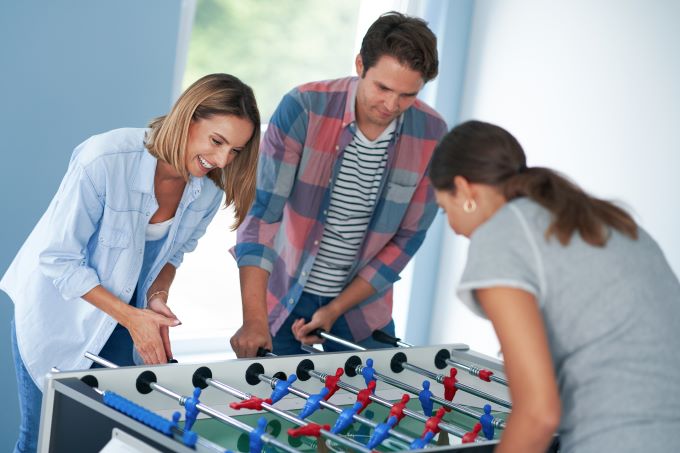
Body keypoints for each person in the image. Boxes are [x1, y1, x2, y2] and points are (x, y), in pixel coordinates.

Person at [0, 73, 260, 453]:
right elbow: (59, 259)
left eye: (235, 150)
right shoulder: (104, 158)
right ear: (187, 119)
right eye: (217, 141)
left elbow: (172, 256)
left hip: (124, 321)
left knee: (107, 439)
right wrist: (132, 317)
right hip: (58, 314)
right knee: (42, 441)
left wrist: (155, 298)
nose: (222, 159)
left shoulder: (207, 190)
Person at [430, 120, 680, 452]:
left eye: (444, 208)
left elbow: (538, 414)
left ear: (463, 189)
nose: (453, 226)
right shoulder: (600, 218)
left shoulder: (500, 234)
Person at [230, 11, 448, 357]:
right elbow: (262, 215)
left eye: (407, 95)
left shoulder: (433, 135)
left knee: (374, 408)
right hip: (283, 299)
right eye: (383, 87)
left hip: (362, 310)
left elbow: (408, 238)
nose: (392, 105)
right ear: (361, 65)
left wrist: (334, 309)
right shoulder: (304, 107)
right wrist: (253, 319)